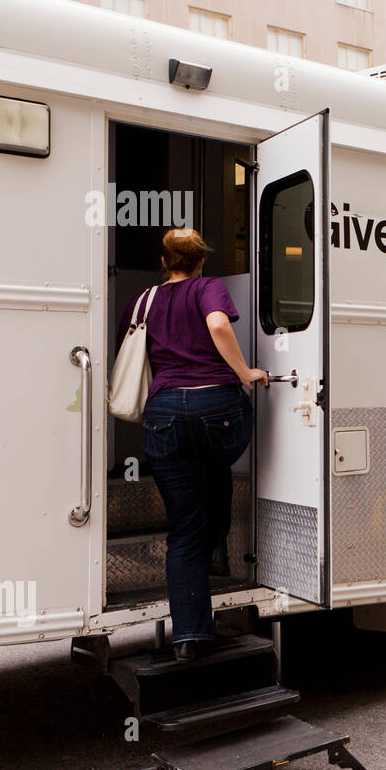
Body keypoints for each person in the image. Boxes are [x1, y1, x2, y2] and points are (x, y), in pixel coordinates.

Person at [118, 228, 268, 660]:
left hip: (165, 414)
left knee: (184, 527)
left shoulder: (143, 300)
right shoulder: (208, 288)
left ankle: (189, 637)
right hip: (217, 410)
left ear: (164, 261)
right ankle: (217, 546)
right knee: (217, 469)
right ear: (201, 261)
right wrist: (243, 372)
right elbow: (218, 323)